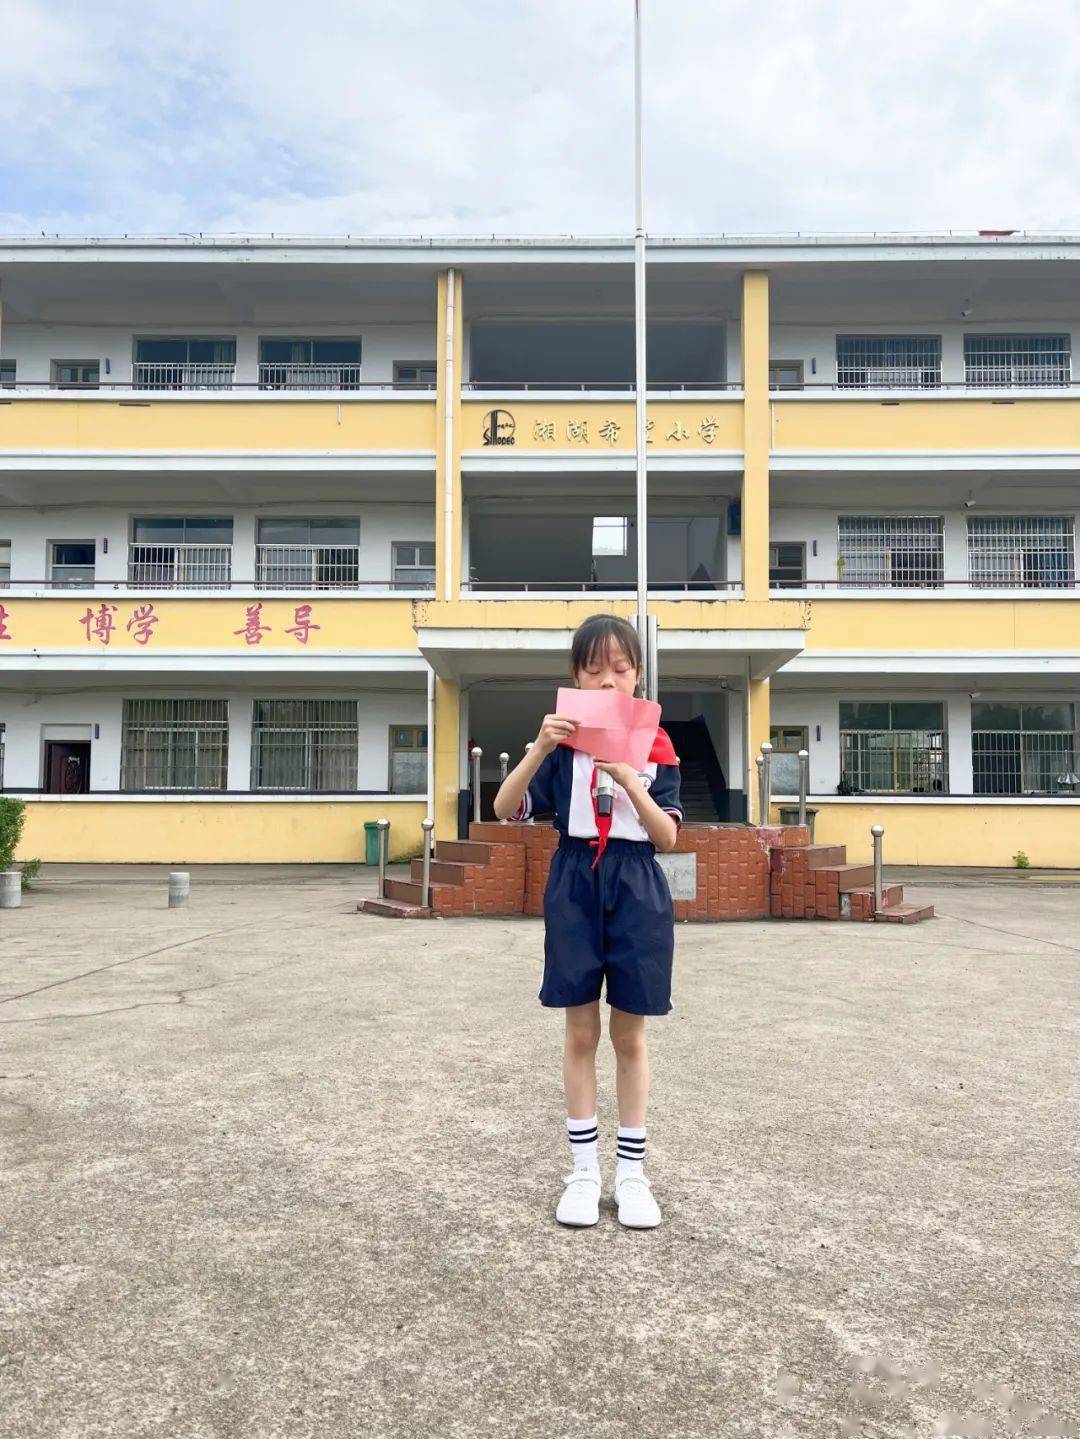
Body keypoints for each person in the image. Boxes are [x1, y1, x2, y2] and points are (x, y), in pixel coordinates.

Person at [493, 613, 682, 1230]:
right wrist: (540, 746)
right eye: (593, 669)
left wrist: (632, 782)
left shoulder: (657, 744)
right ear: (575, 676)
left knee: (630, 1036)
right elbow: (505, 809)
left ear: (637, 676)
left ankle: (631, 1174)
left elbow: (668, 837)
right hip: (575, 878)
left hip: (636, 882)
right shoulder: (562, 745)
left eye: (620, 669)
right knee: (580, 1034)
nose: (607, 682)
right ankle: (582, 1172)